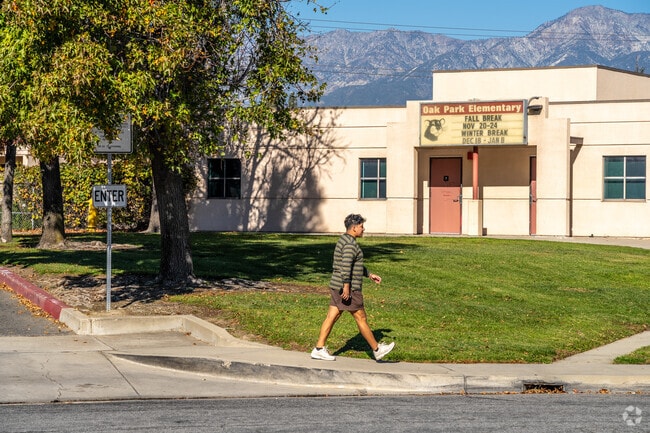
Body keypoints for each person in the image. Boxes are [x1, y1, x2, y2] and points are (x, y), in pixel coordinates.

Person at [311, 214, 395, 361]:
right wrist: (346, 287)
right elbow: (346, 267)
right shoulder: (350, 245)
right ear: (354, 227)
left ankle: (319, 348)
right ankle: (377, 349)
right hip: (347, 289)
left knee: (332, 316)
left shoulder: (344, 240)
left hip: (336, 286)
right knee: (361, 317)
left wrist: (369, 274)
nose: (363, 229)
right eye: (361, 226)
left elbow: (353, 264)